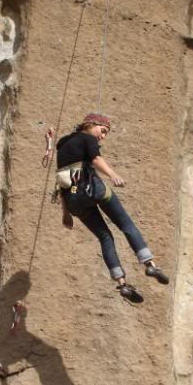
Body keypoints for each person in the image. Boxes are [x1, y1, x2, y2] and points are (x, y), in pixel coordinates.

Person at [56, 113, 169, 303]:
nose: (103, 136)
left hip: (74, 198)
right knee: (126, 224)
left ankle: (122, 283)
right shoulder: (87, 138)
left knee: (104, 236)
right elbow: (96, 159)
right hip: (93, 188)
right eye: (103, 130)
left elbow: (63, 182)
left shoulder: (63, 146)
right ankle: (150, 264)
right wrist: (112, 174)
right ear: (91, 124)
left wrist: (66, 213)